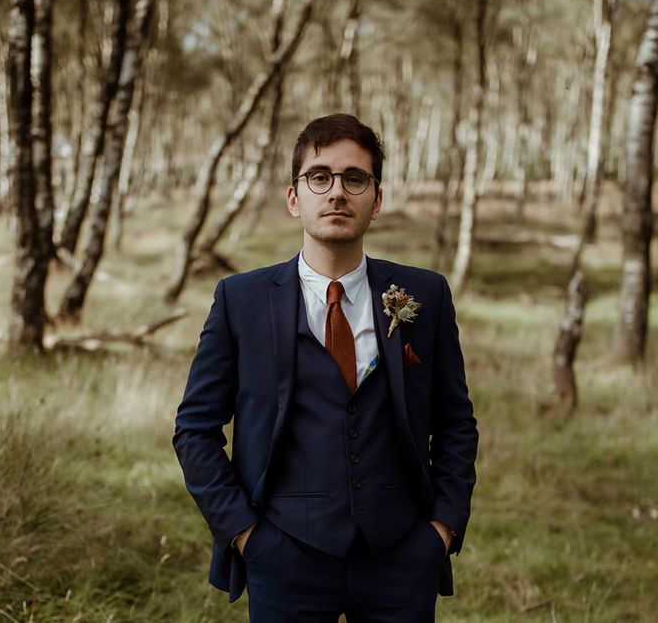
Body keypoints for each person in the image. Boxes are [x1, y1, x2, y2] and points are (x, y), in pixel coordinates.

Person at [173, 113, 478, 622]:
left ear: (375, 200)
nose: (337, 192)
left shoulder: (425, 295)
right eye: (320, 176)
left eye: (354, 178)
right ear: (295, 197)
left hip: (402, 557)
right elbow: (194, 430)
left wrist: (440, 529)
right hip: (282, 556)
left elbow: (456, 425)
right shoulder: (239, 300)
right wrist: (247, 535)